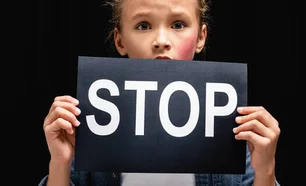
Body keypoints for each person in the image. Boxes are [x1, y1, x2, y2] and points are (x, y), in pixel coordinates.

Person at [39, 0, 281, 185]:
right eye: (143, 25)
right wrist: (60, 163)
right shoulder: (94, 127)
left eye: (178, 24)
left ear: (201, 37)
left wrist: (266, 169)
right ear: (120, 41)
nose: (161, 41)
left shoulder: (229, 129)